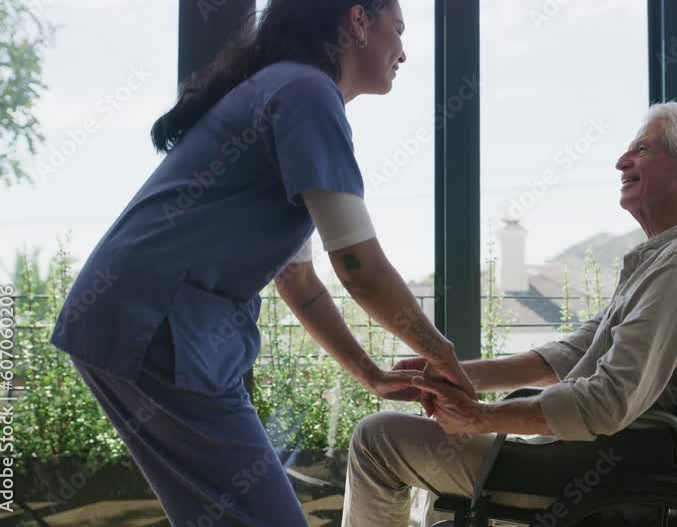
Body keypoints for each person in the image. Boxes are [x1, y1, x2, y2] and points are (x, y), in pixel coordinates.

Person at [47, 1, 473, 525]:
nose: (404, 52)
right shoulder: (307, 93)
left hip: (137, 317)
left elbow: (298, 278)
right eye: (399, 30)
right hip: (154, 323)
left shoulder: (283, 89)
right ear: (358, 21)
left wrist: (371, 374)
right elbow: (358, 266)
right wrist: (443, 354)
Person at [341, 102, 677, 527]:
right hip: (603, 457)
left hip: (587, 468)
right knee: (429, 448)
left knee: (377, 439)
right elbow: (575, 353)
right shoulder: (673, 255)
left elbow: (608, 401)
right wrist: (453, 374)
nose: (620, 162)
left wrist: (481, 418)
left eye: (641, 150)